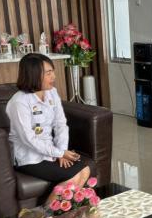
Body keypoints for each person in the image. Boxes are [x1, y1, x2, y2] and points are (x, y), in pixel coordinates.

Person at [6, 53, 91, 204]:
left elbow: (60, 124)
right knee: (76, 175)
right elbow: (28, 139)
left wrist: (61, 151)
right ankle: (48, 214)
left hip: (51, 151)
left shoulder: (52, 92)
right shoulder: (19, 102)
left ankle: (60, 212)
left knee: (84, 170)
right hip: (28, 157)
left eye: (53, 71)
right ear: (33, 75)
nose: (54, 77)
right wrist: (59, 153)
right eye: (48, 73)